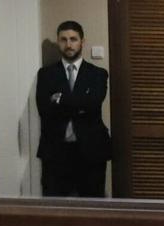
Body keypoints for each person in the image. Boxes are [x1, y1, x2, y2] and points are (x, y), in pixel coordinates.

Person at [36, 21, 111, 198]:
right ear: (58, 41)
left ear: (82, 42)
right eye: (63, 39)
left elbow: (93, 104)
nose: (68, 44)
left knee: (93, 206)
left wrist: (60, 99)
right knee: (54, 208)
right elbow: (44, 110)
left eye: (73, 39)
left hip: (91, 150)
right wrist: (79, 104)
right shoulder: (46, 74)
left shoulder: (98, 74)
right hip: (56, 151)